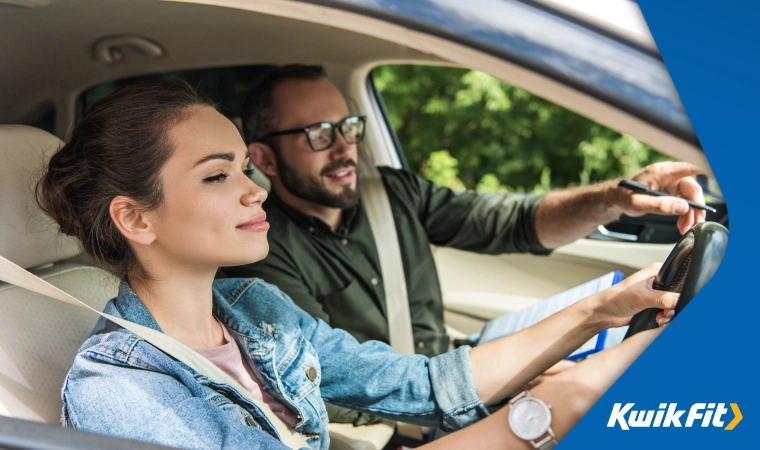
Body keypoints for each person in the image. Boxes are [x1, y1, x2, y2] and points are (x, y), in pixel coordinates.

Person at [38, 80, 676, 450]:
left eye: (243, 167)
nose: (254, 189)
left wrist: (600, 312)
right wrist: (539, 418)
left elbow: (423, 385)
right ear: (136, 219)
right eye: (217, 175)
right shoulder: (122, 397)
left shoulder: (257, 313)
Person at [223, 65, 706, 424]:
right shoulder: (259, 254)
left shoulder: (391, 192)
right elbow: (330, 386)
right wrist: (500, 393)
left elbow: (512, 222)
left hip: (453, 372)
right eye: (318, 135)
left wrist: (616, 197)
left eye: (348, 128)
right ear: (263, 155)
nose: (345, 147)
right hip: (401, 418)